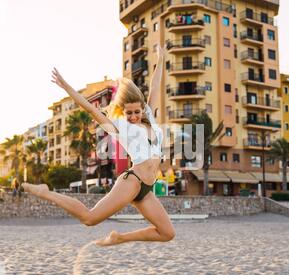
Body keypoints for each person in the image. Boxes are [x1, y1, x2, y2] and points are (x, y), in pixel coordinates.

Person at [22, 46, 175, 246]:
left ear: (142, 108)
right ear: (123, 112)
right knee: (90, 218)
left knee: (167, 233)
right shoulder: (120, 128)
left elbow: (155, 85)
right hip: (133, 181)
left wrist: (161, 58)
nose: (133, 116)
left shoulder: (151, 118)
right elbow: (89, 108)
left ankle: (119, 238)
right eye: (128, 113)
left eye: (136, 112)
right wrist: (67, 87)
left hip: (147, 187)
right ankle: (45, 191)